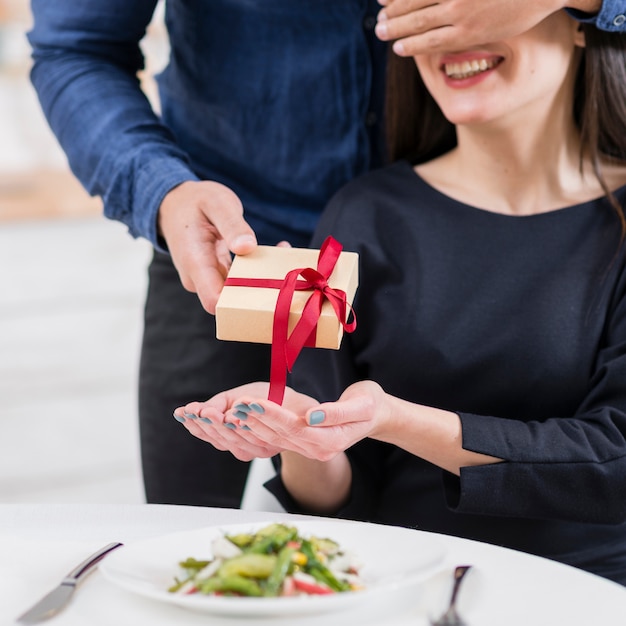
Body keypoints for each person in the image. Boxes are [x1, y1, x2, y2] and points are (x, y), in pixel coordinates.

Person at [28, 0, 625, 509]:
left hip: (469, 197)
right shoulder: (368, 211)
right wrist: (163, 193)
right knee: (186, 538)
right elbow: (74, 48)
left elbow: (605, 465)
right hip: (233, 250)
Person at [173, 10, 626, 585]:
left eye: (471, 3)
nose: (446, 33)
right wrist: (300, 438)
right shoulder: (365, 215)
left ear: (587, 15)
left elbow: (616, 463)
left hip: (584, 594)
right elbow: (340, 494)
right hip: (397, 587)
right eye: (418, 10)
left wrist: (393, 418)